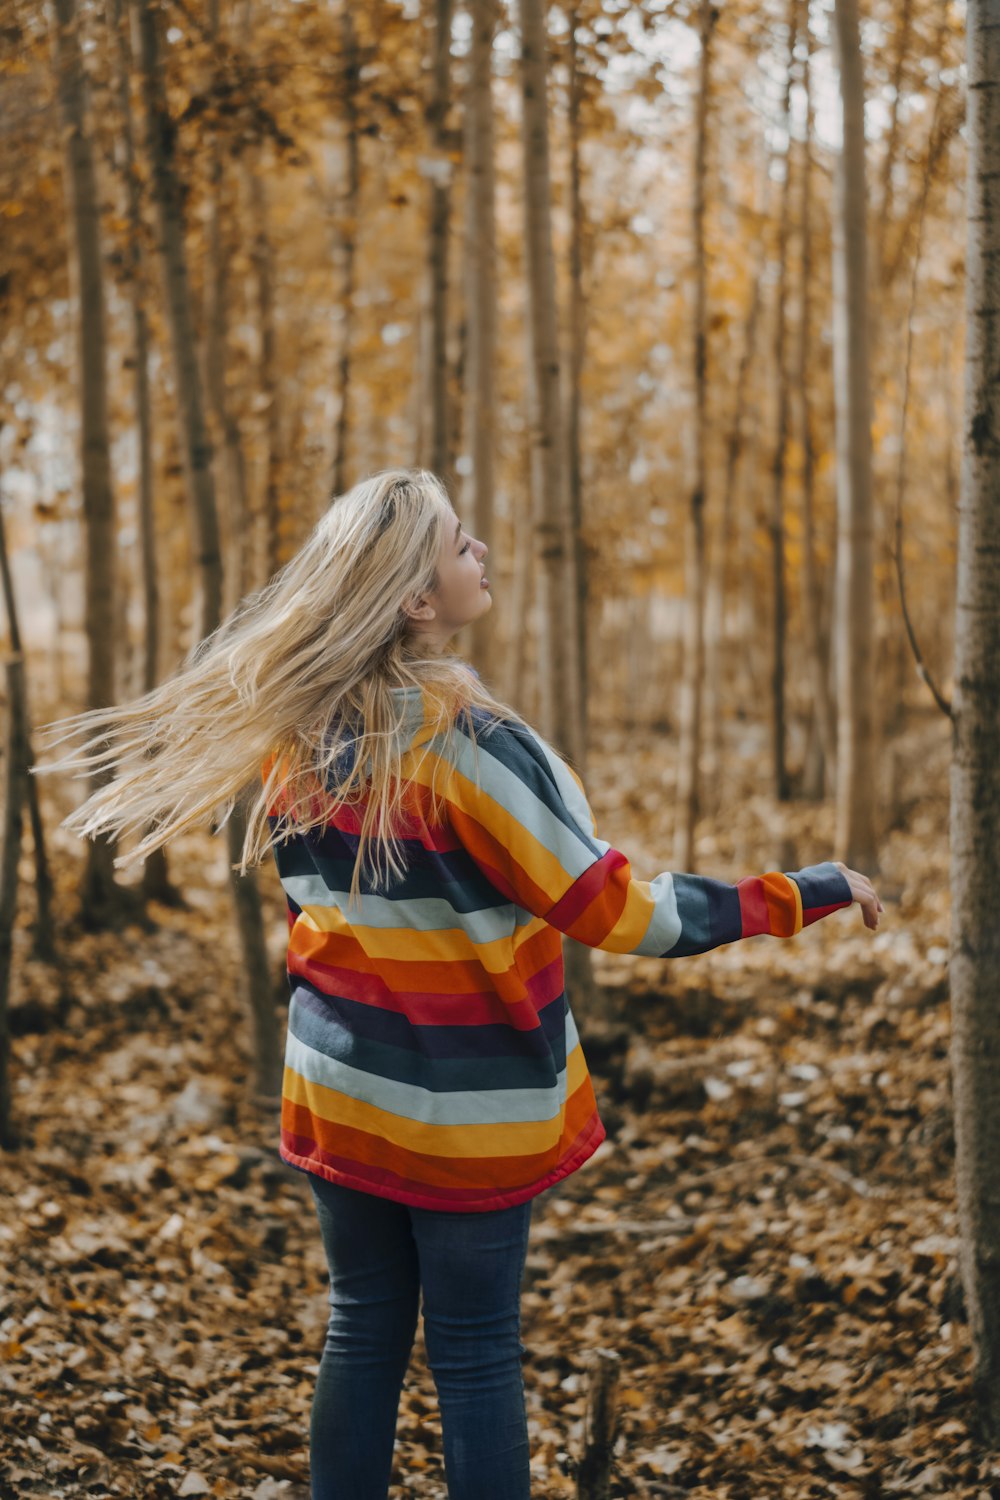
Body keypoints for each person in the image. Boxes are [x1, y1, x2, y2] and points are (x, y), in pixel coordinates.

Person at [34, 468, 882, 1500]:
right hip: (464, 1114)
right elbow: (621, 914)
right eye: (459, 544)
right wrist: (802, 893)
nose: (481, 552)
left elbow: (318, 917)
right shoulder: (469, 748)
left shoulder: (296, 739)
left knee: (361, 1330)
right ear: (416, 600)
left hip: (341, 1098)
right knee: (475, 1356)